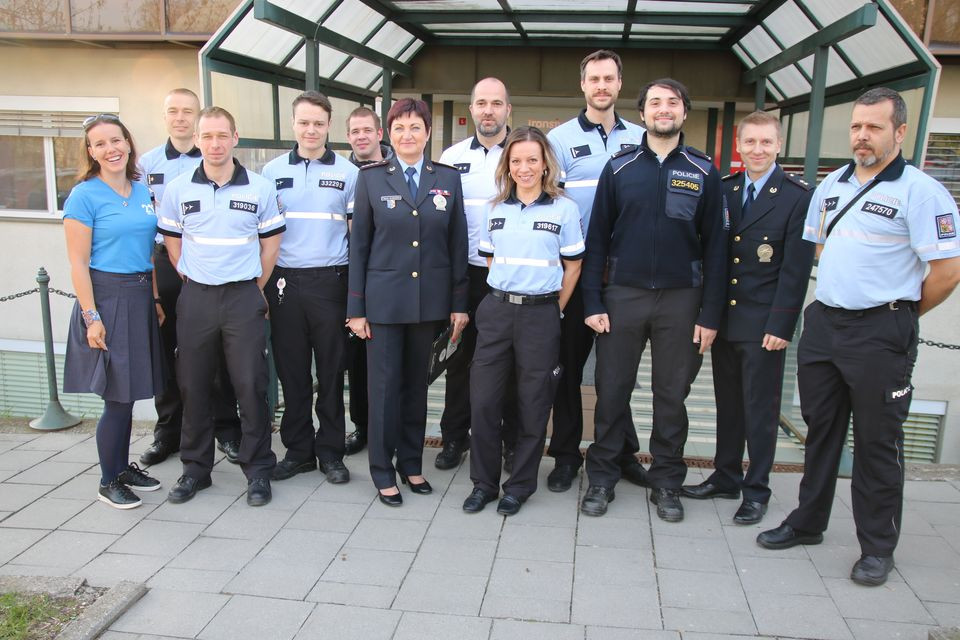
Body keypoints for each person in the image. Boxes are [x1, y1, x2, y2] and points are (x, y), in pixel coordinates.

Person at [757, 88, 960, 586]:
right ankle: (807, 522)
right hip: (826, 324)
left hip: (881, 330)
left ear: (900, 132)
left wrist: (899, 314)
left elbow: (948, 271)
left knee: (876, 442)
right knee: (821, 431)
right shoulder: (832, 185)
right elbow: (820, 247)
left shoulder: (922, 192)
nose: (862, 136)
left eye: (874, 127)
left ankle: (876, 547)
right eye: (856, 127)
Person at [580, 78, 727, 522]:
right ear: (642, 113)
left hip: (682, 299)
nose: (665, 109)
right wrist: (592, 302)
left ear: (684, 112)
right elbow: (597, 238)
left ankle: (666, 482)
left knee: (671, 396)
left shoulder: (704, 171)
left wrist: (710, 314)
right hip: (622, 297)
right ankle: (602, 477)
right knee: (611, 390)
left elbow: (717, 248)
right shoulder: (619, 168)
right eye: (656, 103)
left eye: (673, 102)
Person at [681, 111, 814, 525]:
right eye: (750, 142)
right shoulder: (726, 189)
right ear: (739, 145)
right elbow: (716, 257)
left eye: (766, 142)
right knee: (729, 405)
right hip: (726, 320)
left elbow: (795, 270)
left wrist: (782, 325)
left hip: (763, 325)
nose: (758, 150)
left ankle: (756, 490)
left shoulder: (796, 196)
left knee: (759, 412)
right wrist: (709, 315)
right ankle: (725, 476)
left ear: (779, 146)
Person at [157, 106, 284, 507]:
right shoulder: (178, 188)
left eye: (222, 135)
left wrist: (254, 288)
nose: (215, 144)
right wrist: (194, 277)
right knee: (193, 384)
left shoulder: (260, 188)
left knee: (251, 384)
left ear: (235, 138)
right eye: (207, 136)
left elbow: (271, 246)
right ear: (197, 140)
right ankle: (196, 469)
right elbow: (173, 244)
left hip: (243, 296)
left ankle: (258, 469)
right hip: (197, 297)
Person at [347, 97, 469, 507]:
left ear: (428, 133)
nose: (408, 135)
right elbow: (359, 247)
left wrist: (458, 302)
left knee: (417, 388)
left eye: (416, 127)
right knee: (384, 389)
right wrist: (356, 309)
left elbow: (457, 242)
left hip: (427, 303)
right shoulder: (371, 178)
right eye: (400, 128)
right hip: (383, 305)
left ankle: (411, 463)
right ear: (389, 134)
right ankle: (382, 469)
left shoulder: (447, 178)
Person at [462, 126, 583, 516]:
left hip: (540, 315)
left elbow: (573, 267)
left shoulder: (564, 208)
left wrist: (553, 308)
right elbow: (490, 259)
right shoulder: (495, 208)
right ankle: (483, 484)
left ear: (545, 163)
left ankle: (519, 486)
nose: (524, 168)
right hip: (497, 312)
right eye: (516, 161)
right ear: (507, 165)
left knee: (534, 403)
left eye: (532, 159)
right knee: (484, 402)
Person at [545, 50, 645, 493]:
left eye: (609, 78)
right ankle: (566, 456)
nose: (601, 86)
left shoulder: (641, 137)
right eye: (594, 79)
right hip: (576, 271)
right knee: (566, 367)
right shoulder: (560, 139)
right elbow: (553, 204)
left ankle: (622, 452)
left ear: (619, 84)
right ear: (583, 85)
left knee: (616, 373)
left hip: (624, 276)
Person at [137, 88, 244, 467]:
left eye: (187, 111)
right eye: (173, 111)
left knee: (220, 352)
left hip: (212, 267)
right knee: (167, 349)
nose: (180, 118)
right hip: (165, 265)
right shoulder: (146, 164)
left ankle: (227, 429)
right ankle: (169, 433)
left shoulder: (218, 157)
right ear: (165, 116)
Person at [63, 113, 164, 509]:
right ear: (91, 152)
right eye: (101, 143)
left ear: (128, 143)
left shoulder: (142, 191)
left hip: (139, 296)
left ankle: (122, 468)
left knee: (130, 393)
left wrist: (155, 299)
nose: (111, 149)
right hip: (106, 298)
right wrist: (91, 317)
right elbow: (77, 263)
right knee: (117, 397)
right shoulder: (83, 195)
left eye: (116, 140)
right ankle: (109, 480)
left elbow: (149, 253)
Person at [261, 91, 358, 484]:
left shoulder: (349, 173)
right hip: (284, 283)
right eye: (304, 122)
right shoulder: (270, 172)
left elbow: (356, 235)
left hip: (330, 282)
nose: (311, 130)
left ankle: (331, 452)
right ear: (293, 124)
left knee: (332, 373)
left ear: (329, 126)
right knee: (292, 372)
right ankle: (299, 451)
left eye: (318, 123)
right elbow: (262, 235)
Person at [434, 77, 519, 472]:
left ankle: (509, 442)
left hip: (509, 276)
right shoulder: (451, 157)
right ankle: (454, 437)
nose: (488, 110)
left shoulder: (521, 154)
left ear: (508, 110)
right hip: (463, 274)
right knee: (459, 359)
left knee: (510, 363)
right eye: (482, 103)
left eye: (496, 103)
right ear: (471, 109)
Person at [342, 106, 392, 457]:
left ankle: (391, 428)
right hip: (348, 277)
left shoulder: (397, 170)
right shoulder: (343, 173)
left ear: (379, 134)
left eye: (367, 130)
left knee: (390, 362)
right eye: (355, 131)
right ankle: (362, 426)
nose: (361, 136)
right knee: (356, 360)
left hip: (389, 281)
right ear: (348, 137)